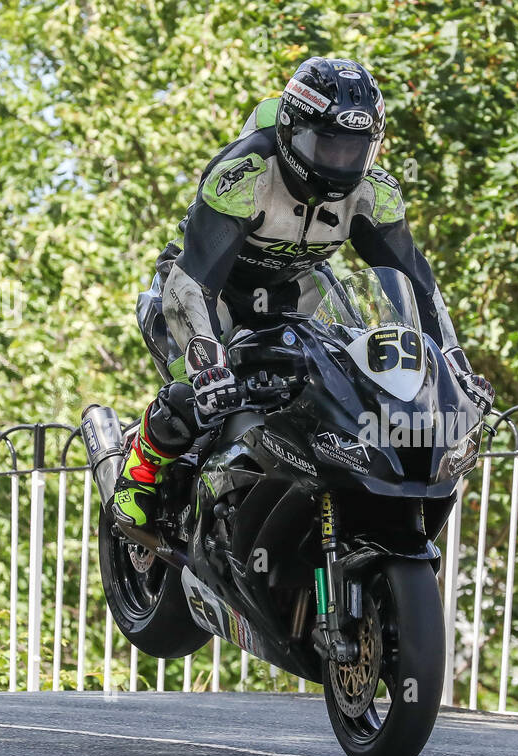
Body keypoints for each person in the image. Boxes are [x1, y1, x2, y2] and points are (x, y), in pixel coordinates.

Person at [111, 56, 493, 529]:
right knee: (198, 392)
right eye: (327, 145)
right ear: (291, 131)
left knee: (349, 385)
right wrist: (209, 366)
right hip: (205, 295)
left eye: (355, 150)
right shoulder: (245, 174)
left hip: (298, 293)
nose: (341, 163)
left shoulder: (375, 192)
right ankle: (140, 471)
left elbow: (415, 283)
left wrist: (454, 362)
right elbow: (195, 280)